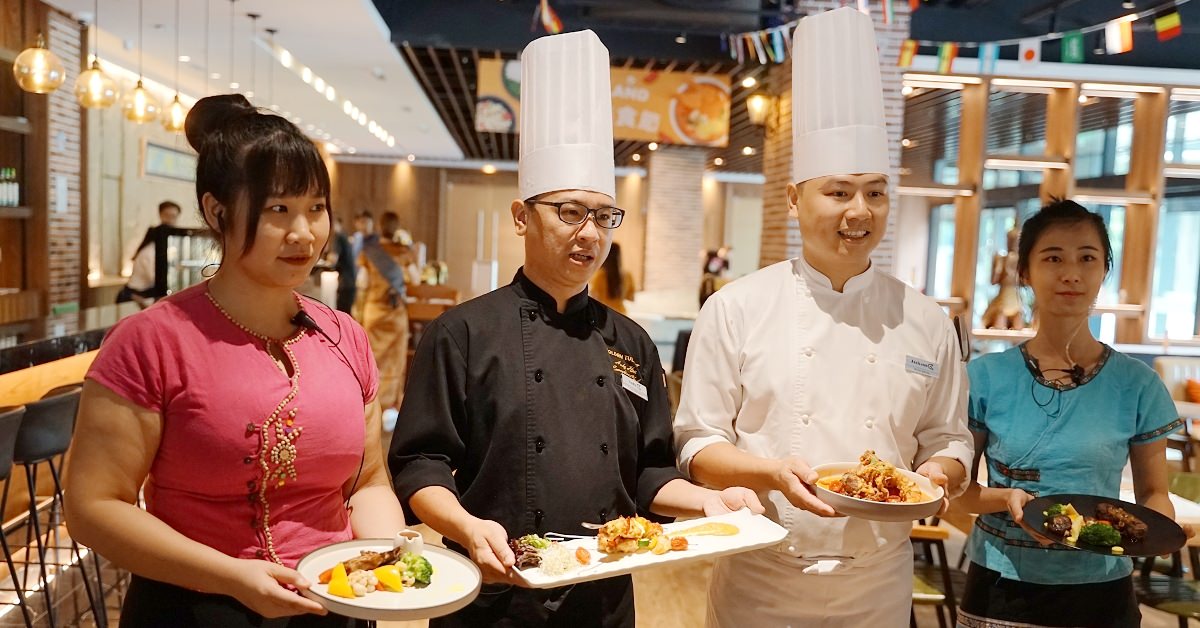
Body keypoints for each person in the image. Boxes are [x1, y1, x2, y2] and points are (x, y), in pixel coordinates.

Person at [388, 30, 762, 628]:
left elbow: (648, 474)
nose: (589, 234)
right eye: (569, 212)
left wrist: (710, 503)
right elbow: (419, 466)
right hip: (493, 598)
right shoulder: (459, 333)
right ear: (520, 216)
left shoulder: (632, 343)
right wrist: (466, 527)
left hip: (603, 600)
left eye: (603, 216)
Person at [672, 8, 972, 627]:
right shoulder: (735, 307)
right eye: (838, 192)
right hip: (760, 573)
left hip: (880, 583)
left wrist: (937, 476)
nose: (858, 212)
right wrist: (772, 474)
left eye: (876, 192)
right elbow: (698, 444)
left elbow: (948, 438)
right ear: (794, 198)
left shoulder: (926, 320)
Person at [64, 94, 405, 627]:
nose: (304, 232)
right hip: (193, 607)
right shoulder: (152, 341)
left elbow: (368, 483)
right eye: (278, 210)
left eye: (316, 208)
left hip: (331, 608)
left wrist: (387, 555)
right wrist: (230, 574)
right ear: (216, 211)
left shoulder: (345, 338)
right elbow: (93, 507)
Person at [953, 200, 1185, 628]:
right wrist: (1007, 499)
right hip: (1002, 588)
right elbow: (960, 493)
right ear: (1025, 272)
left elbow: (1155, 494)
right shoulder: (986, 377)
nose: (1071, 273)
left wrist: (1159, 530)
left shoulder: (1137, 385)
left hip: (1102, 594)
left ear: (1103, 271)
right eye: (1053, 257)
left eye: (1087, 258)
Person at [359, 211, 412, 430]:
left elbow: (362, 284)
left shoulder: (368, 252)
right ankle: (390, 409)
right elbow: (414, 278)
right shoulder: (404, 252)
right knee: (395, 362)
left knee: (372, 360)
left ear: (379, 226)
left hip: (374, 312)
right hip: (396, 314)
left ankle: (369, 407)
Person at [117, 200, 182, 307]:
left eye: (174, 216)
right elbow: (157, 279)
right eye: (167, 215)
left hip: (149, 295)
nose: (171, 220)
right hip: (134, 298)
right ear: (160, 216)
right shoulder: (150, 251)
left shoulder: (169, 248)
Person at [980, 226, 1026, 330]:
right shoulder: (1001, 259)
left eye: (1016, 241)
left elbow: (1026, 282)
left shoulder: (1022, 261)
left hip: (1016, 298)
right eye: (1011, 240)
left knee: (1018, 325)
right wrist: (999, 269)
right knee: (999, 322)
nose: (1013, 244)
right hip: (1004, 297)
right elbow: (993, 281)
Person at [589, 241, 635, 314]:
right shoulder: (627, 275)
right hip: (622, 315)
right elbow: (631, 298)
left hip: (605, 314)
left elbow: (594, 297)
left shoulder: (600, 275)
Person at [330, 216, 356, 314]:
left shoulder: (339, 237)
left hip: (345, 282)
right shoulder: (344, 236)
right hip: (351, 280)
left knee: (342, 313)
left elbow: (333, 259)